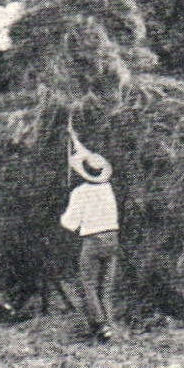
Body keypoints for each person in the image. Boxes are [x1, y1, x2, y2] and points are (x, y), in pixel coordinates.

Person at [60, 125, 119, 342]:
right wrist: (74, 138)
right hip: (112, 239)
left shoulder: (80, 192)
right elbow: (86, 156)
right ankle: (111, 323)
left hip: (93, 241)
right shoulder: (108, 188)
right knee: (106, 284)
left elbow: (70, 223)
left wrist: (61, 215)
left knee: (88, 285)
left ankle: (101, 327)